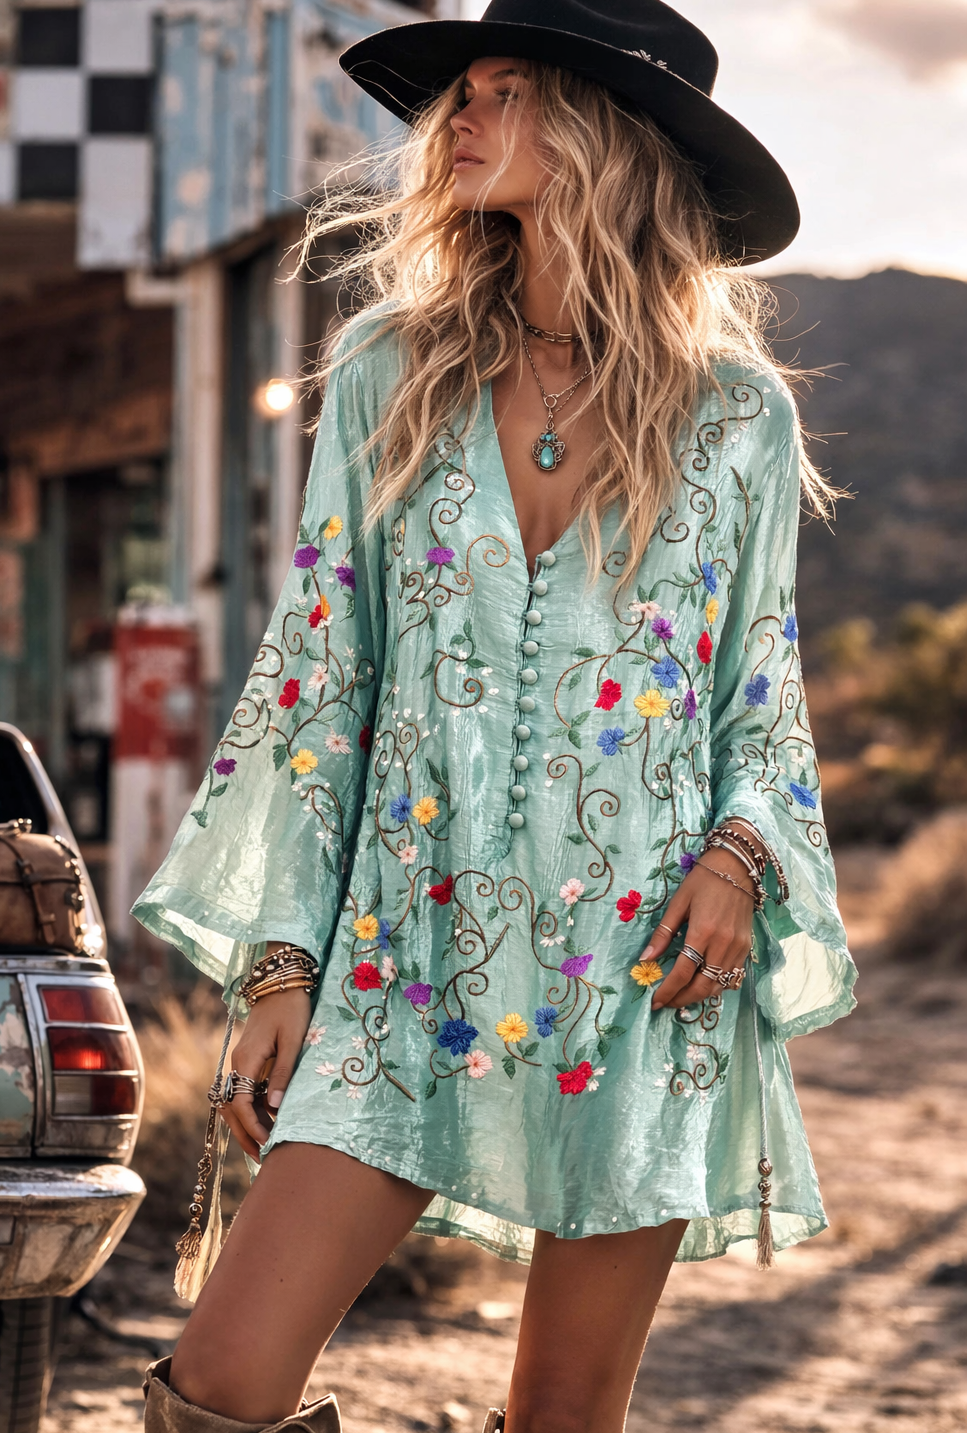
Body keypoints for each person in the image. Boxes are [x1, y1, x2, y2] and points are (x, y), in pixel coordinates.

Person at [133, 3, 856, 1430]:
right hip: (402, 974)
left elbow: (759, 696)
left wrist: (739, 858)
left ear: (605, 135)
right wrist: (284, 967)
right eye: (458, 90)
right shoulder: (394, 373)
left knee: (563, 1417)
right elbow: (319, 676)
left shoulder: (737, 418)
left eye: (503, 91)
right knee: (221, 1379)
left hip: (629, 985)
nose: (457, 116)